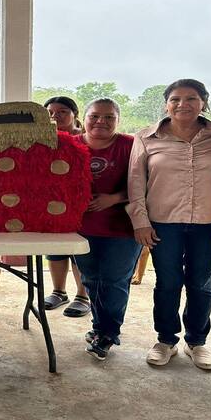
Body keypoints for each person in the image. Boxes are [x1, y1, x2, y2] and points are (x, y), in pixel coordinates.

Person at [128, 78, 211, 369]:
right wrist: (140, 221)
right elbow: (135, 183)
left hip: (209, 223)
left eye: (191, 99)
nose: (182, 104)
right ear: (166, 103)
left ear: (204, 102)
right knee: (168, 283)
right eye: (175, 99)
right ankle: (166, 340)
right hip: (163, 223)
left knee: (201, 283)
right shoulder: (147, 137)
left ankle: (197, 342)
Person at [71, 98, 141, 360]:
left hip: (122, 227)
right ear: (84, 118)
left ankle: (108, 333)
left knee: (114, 280)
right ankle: (100, 327)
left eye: (109, 117)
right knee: (91, 279)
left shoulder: (130, 145)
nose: (101, 121)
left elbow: (149, 182)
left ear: (118, 120)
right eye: (95, 116)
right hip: (80, 227)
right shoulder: (71, 145)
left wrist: (113, 198)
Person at [42, 96, 90, 317]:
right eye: (50, 112)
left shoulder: (85, 139)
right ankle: (59, 292)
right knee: (54, 250)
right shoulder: (42, 140)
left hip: (81, 204)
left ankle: (83, 296)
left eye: (62, 111)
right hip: (50, 203)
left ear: (74, 114)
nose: (55, 116)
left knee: (78, 251)